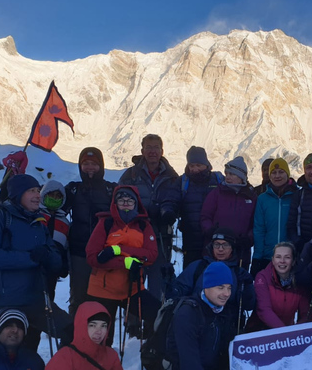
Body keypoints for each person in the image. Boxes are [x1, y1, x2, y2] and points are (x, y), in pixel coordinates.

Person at [0, 174, 64, 351]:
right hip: (4, 301)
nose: (38, 195)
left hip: (35, 300)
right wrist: (30, 258)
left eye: (38, 191)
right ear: (17, 194)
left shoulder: (39, 222)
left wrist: (49, 256)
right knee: (4, 353)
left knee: (70, 331)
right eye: (31, 191)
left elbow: (55, 260)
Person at [85, 186, 160, 345]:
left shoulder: (143, 225)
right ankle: (100, 368)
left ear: (136, 203)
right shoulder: (106, 222)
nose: (126, 203)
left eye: (130, 200)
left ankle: (156, 353)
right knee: (102, 339)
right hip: (103, 290)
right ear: (115, 202)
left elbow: (151, 255)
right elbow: (93, 257)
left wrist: (117, 250)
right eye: (121, 200)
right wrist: (125, 262)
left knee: (161, 315)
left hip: (132, 288)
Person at [118, 134, 180, 300]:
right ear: (142, 150)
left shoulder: (172, 177)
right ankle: (132, 323)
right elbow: (119, 200)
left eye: (156, 148)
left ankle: (154, 322)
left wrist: (169, 213)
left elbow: (178, 201)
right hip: (135, 235)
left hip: (161, 236)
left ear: (162, 151)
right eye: (149, 147)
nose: (152, 151)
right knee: (133, 282)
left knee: (158, 282)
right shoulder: (130, 175)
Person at [167, 229, 255, 332]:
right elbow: (177, 294)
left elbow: (248, 305)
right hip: (198, 324)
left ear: (232, 248)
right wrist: (169, 281)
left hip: (226, 327)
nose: (220, 249)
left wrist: (248, 285)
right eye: (216, 245)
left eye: (225, 245)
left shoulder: (238, 273)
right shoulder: (198, 267)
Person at [64, 147, 116, 314]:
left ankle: (102, 338)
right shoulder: (73, 190)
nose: (90, 167)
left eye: (94, 164)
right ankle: (75, 338)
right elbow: (54, 207)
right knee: (78, 297)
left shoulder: (111, 190)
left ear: (101, 166)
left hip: (105, 253)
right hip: (79, 252)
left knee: (104, 298)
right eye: (85, 163)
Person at [200, 157, 257, 268]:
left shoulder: (251, 196)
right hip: (217, 249)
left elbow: (256, 222)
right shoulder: (217, 193)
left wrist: (249, 238)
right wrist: (211, 231)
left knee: (238, 280)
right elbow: (205, 216)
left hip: (240, 251)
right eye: (227, 174)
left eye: (232, 174)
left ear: (242, 177)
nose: (228, 177)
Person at [245, 242, 312, 332]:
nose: (282, 261)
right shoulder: (263, 277)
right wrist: (284, 333)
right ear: (273, 260)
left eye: (287, 257)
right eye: (278, 257)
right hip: (259, 332)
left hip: (286, 337)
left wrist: (295, 333)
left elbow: (307, 315)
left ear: (293, 261)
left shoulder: (299, 281)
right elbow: (264, 310)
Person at [251, 158, 298, 276]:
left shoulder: (296, 196)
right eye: (274, 172)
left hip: (290, 255)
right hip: (268, 255)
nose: (277, 176)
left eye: (281, 172)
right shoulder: (262, 199)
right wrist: (257, 257)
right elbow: (259, 229)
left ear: (287, 174)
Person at [178, 146, 223, 267]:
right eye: (192, 166)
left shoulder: (218, 180)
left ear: (206, 164)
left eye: (198, 165)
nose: (195, 169)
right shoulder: (182, 182)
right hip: (191, 239)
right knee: (192, 275)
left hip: (214, 238)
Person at [38, 180, 70, 302]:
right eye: (51, 195)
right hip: (34, 268)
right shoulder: (34, 214)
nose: (54, 198)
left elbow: (66, 246)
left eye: (58, 196)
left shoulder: (64, 222)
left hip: (53, 270)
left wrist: (64, 265)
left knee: (49, 300)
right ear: (43, 195)